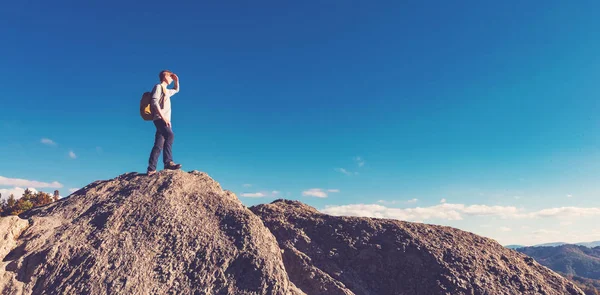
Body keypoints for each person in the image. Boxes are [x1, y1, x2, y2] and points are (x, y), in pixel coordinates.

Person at [147, 70, 182, 175]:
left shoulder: (166, 90)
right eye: (170, 76)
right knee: (170, 135)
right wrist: (164, 118)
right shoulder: (158, 87)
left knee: (159, 144)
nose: (171, 78)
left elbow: (176, 89)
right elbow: (154, 102)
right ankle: (168, 162)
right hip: (159, 118)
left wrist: (176, 81)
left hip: (163, 119)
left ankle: (151, 169)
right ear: (165, 76)